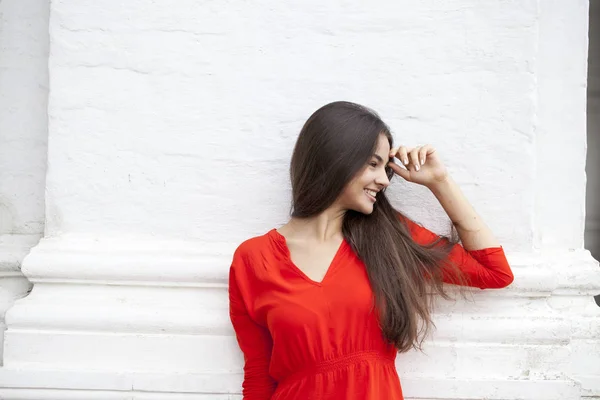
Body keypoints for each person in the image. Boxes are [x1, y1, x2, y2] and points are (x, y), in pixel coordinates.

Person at [228, 101, 514, 400]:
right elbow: (259, 378)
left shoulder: (388, 238)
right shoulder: (253, 258)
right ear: (337, 158)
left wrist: (440, 183)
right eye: (373, 164)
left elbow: (495, 273)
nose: (384, 179)